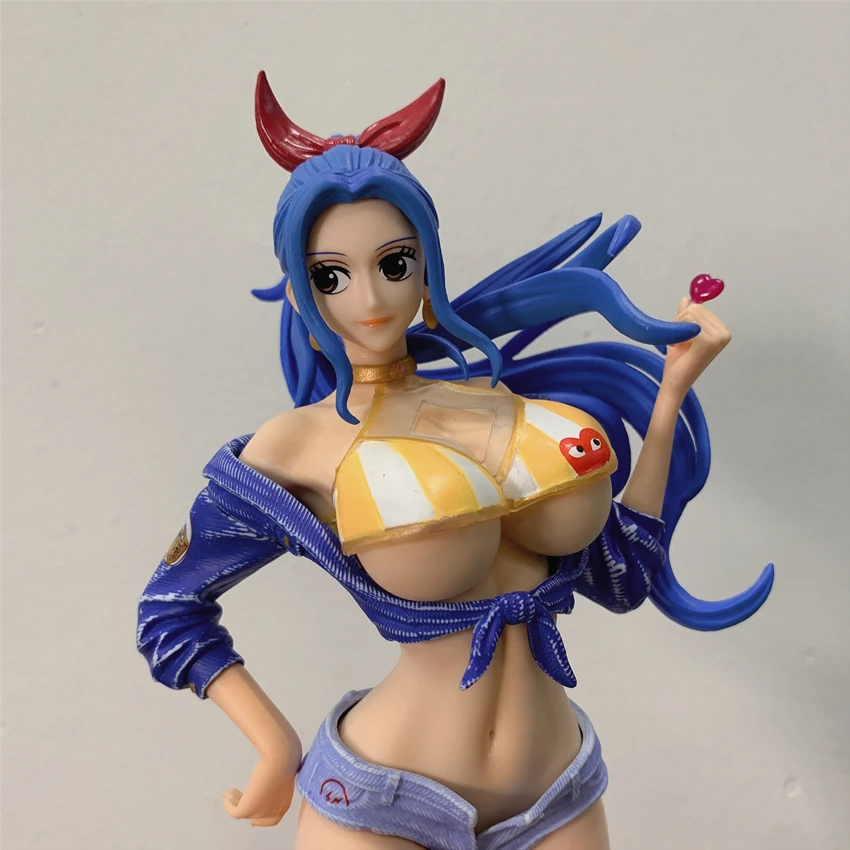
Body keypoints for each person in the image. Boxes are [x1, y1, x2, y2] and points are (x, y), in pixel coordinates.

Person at [138, 74, 773, 850]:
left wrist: (669, 395)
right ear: (301, 290)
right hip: (382, 800)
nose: (370, 298)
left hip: (557, 792)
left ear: (427, 262)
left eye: (394, 263)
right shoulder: (294, 446)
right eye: (331, 275)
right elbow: (170, 605)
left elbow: (623, 577)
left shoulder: (502, 407)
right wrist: (274, 743)